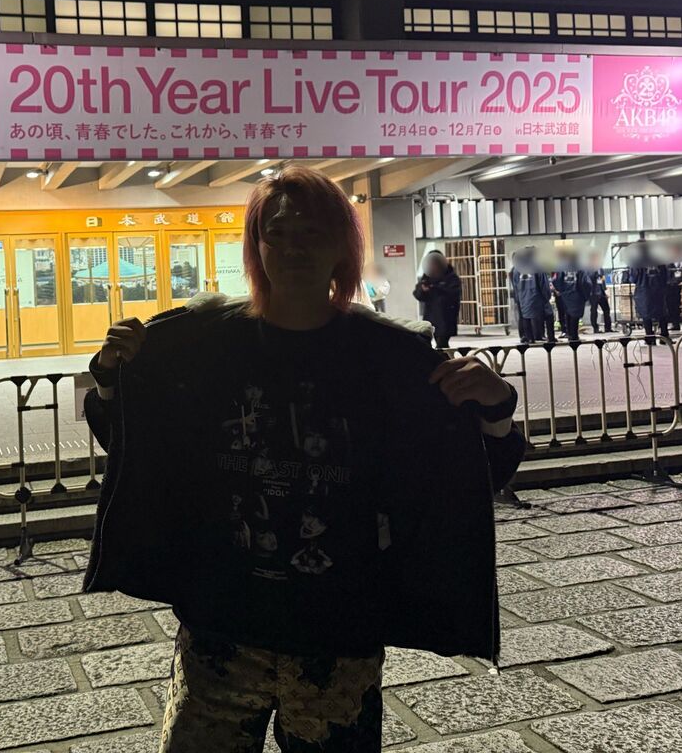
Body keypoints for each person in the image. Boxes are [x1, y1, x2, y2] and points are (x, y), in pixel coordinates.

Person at [81, 166, 522, 752]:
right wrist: (116, 380)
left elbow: (465, 476)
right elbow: (141, 445)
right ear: (255, 245)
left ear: (342, 245)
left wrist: (495, 405)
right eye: (278, 232)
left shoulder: (389, 358)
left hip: (336, 637)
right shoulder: (205, 344)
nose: (293, 248)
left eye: (312, 233)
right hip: (220, 627)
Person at [413, 250, 462, 349]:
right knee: (426, 345)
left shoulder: (451, 277)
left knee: (442, 346)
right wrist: (424, 290)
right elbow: (418, 294)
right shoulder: (427, 277)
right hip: (430, 318)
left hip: (446, 318)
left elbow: (452, 294)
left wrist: (435, 288)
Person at [510, 247, 555, 343]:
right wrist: (547, 296)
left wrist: (518, 299)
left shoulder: (517, 269)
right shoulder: (538, 267)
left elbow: (515, 285)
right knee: (549, 315)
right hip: (537, 298)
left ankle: (529, 338)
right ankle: (551, 337)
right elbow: (544, 284)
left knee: (526, 317)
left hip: (523, 298)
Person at [627, 247, 670, 343]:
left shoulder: (636, 262)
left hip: (644, 292)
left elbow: (633, 279)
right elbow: (665, 276)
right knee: (662, 314)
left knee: (646, 316)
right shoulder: (658, 260)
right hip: (658, 291)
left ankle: (650, 339)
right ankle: (664, 337)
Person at [551, 250, 589, 342]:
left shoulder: (561, 267)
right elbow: (586, 282)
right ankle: (574, 335)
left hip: (565, 295)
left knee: (567, 314)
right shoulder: (581, 268)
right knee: (575, 316)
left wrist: (561, 290)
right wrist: (585, 295)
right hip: (577, 295)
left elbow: (555, 280)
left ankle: (569, 333)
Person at [585, 253, 612, 333]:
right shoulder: (588, 268)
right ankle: (595, 328)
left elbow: (602, 279)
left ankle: (608, 327)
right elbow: (588, 279)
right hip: (593, 292)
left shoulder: (600, 268)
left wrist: (605, 290)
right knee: (594, 311)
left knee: (606, 309)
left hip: (601, 292)